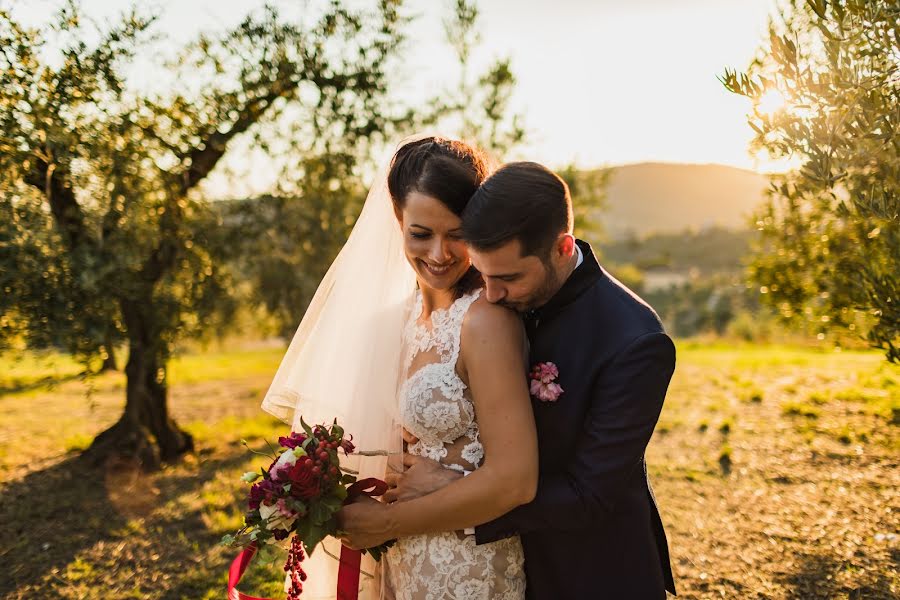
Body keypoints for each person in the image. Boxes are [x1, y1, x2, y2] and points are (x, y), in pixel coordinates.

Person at [340, 161, 677, 599]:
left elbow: (589, 495)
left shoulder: (634, 340)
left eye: (507, 279)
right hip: (477, 560)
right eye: (485, 275)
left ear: (561, 248)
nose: (491, 294)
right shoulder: (485, 302)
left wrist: (454, 492)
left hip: (584, 570)